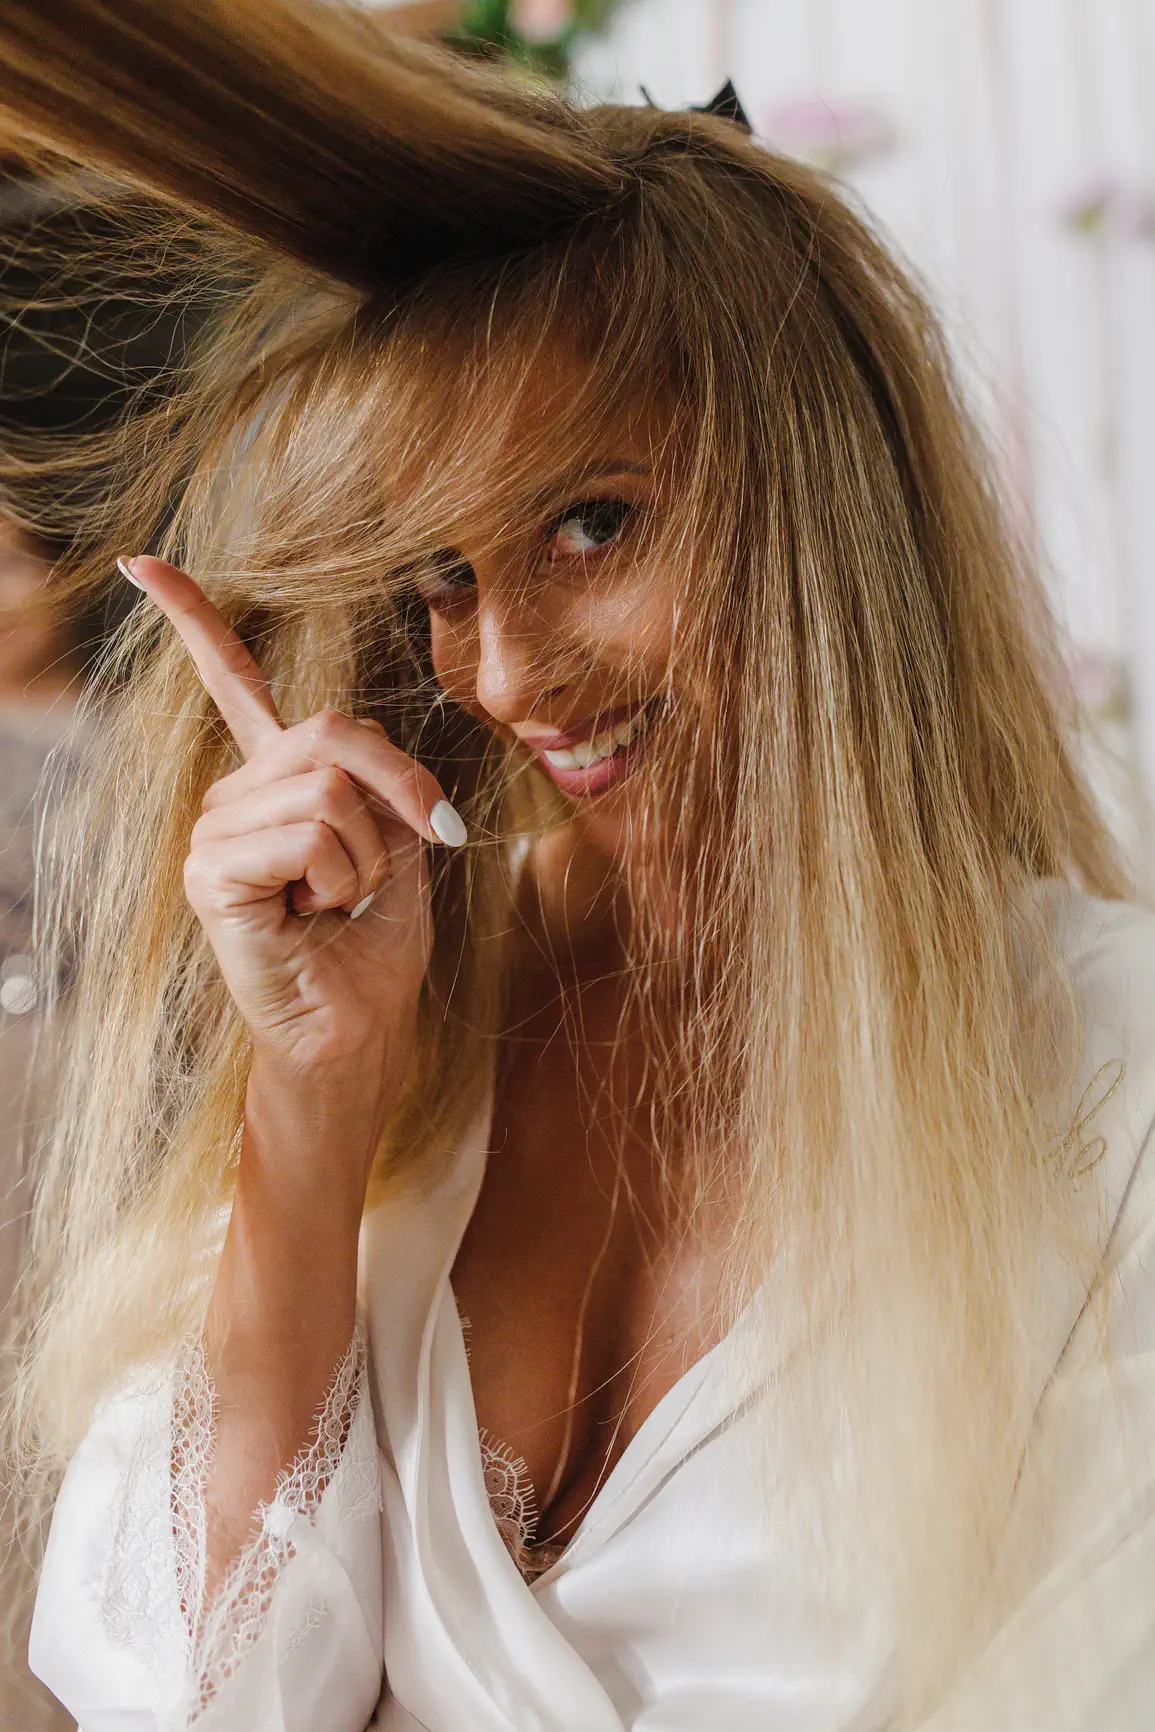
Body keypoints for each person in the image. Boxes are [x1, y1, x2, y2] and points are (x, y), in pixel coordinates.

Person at [0, 4, 1152, 1729]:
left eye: (592, 524)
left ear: (822, 498)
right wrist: (310, 1094)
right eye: (444, 579)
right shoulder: (405, 1018)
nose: (504, 676)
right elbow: (184, 1694)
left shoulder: (1111, 1084)